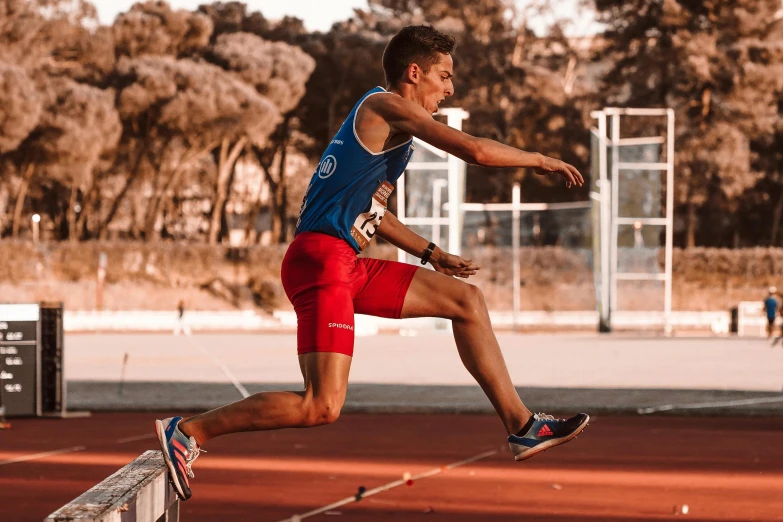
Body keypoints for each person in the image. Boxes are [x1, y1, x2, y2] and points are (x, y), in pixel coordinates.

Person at [155, 25, 589, 501]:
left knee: (466, 301)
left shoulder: (388, 132)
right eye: (444, 76)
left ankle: (522, 425)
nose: (450, 89)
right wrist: (540, 159)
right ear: (414, 72)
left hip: (343, 262)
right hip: (321, 261)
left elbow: (374, 214)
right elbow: (475, 150)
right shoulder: (383, 106)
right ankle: (189, 432)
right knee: (321, 406)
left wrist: (431, 252)